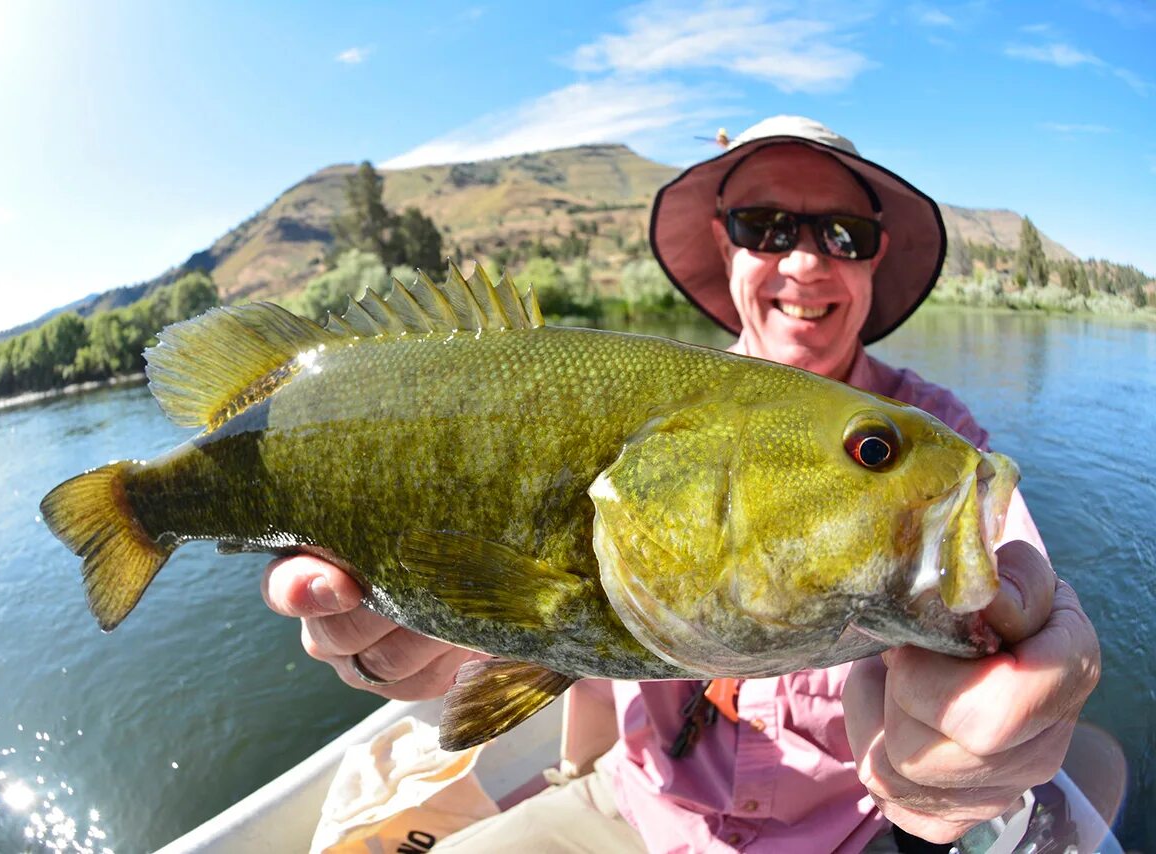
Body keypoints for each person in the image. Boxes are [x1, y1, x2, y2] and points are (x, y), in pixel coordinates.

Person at [261, 116, 1101, 852]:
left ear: (875, 257)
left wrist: (997, 718)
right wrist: (447, 642)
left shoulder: (942, 442)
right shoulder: (618, 416)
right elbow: (574, 660)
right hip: (634, 814)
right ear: (725, 244)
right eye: (766, 226)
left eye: (843, 233)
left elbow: (1016, 575)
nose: (806, 262)